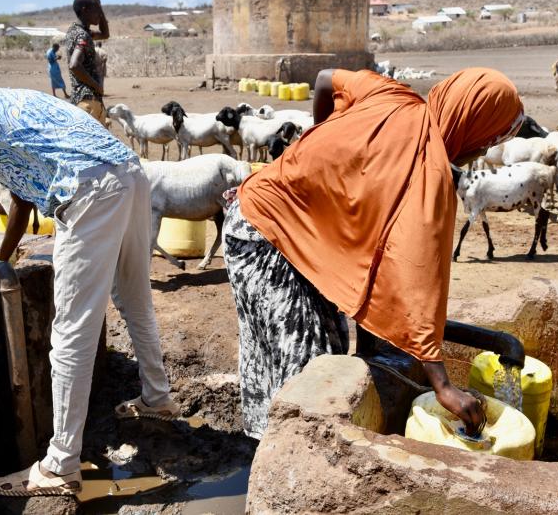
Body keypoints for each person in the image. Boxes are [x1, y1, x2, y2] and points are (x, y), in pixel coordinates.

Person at [0, 68, 180, 496]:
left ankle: (60, 465)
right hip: (128, 170)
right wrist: (0, 258)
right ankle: (157, 398)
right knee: (134, 297)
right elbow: (20, 195)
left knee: (71, 333)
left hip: (89, 187)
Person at [223, 67, 524, 439]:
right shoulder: (429, 175)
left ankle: (266, 450)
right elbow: (414, 287)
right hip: (264, 236)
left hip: (283, 224)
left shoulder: (389, 94)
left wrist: (318, 143)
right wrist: (444, 387)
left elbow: (323, 79)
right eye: (487, 141)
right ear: (471, 126)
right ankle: (282, 470)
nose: (481, 151)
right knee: (308, 374)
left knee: (320, 348)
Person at [65, 0, 109, 126]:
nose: (98, 14)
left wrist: (99, 6)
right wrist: (97, 86)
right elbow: (74, 65)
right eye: (95, 10)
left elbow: (105, 34)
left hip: (83, 101)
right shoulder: (83, 35)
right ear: (85, 10)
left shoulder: (76, 31)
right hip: (88, 102)